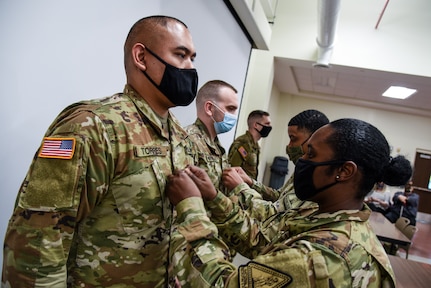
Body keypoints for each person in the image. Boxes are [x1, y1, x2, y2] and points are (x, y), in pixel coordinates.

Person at [2, 15, 199, 287]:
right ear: (141, 56)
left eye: (192, 58)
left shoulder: (178, 134)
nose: (189, 68)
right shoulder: (89, 126)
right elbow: (38, 242)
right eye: (180, 55)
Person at [167, 118, 412, 287]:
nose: (302, 161)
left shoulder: (318, 258)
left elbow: (223, 284)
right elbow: (261, 240)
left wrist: (191, 208)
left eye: (311, 155)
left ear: (345, 171)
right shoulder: (322, 215)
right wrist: (213, 198)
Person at [223, 109, 329, 212]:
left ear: (314, 139)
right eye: (267, 123)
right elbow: (280, 196)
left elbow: (274, 211)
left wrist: (241, 188)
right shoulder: (243, 143)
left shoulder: (319, 178)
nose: (289, 145)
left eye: (293, 138)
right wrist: (249, 183)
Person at [185, 80, 238, 192]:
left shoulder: (216, 145)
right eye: (230, 109)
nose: (234, 116)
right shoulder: (188, 140)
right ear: (209, 108)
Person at [228, 110, 272, 180]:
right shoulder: (243, 144)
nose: (269, 127)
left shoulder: (255, 146)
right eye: (267, 124)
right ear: (256, 125)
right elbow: (233, 171)